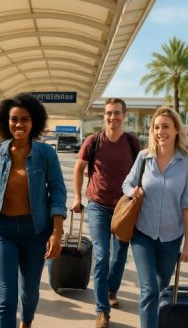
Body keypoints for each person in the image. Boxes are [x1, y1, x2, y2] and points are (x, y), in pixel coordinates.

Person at [0, 93, 67, 328]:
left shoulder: (46, 154)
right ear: (6, 121)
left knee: (30, 290)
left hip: (36, 231)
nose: (19, 124)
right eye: (14, 119)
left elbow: (58, 192)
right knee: (5, 296)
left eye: (25, 119)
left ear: (34, 122)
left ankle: (26, 322)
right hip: (2, 231)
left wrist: (56, 232)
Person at [122, 106, 188, 328]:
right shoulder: (144, 157)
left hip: (172, 236)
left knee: (161, 285)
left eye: (165, 126)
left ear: (176, 130)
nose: (160, 131)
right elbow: (127, 182)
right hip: (142, 233)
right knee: (149, 290)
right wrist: (131, 192)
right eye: (156, 127)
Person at [72, 98, 139, 328]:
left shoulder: (132, 142)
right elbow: (79, 168)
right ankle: (102, 310)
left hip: (124, 206)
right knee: (102, 256)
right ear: (104, 116)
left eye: (117, 113)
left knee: (120, 254)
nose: (113, 117)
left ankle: (112, 289)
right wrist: (78, 197)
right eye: (109, 113)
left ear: (124, 115)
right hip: (98, 206)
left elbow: (141, 171)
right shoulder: (93, 141)